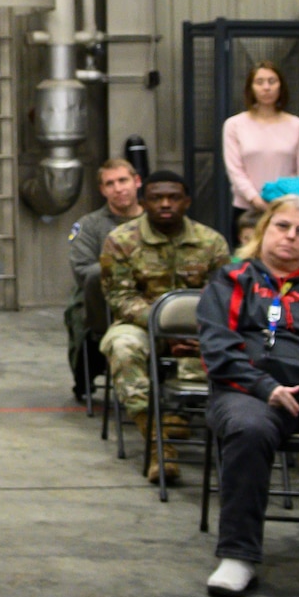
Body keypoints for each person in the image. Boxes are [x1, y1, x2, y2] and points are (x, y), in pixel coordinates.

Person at [200, 196, 299, 597]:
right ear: (264, 230)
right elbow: (218, 350)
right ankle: (239, 556)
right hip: (250, 391)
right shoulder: (232, 279)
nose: (291, 238)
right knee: (249, 429)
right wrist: (267, 388)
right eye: (282, 227)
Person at [98, 170, 230, 483]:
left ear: (187, 201)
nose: (166, 204)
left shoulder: (211, 242)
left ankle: (180, 416)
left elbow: (222, 299)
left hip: (198, 329)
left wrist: (193, 333)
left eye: (173, 197)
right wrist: (163, 328)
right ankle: (159, 444)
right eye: (157, 198)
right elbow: (120, 297)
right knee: (122, 348)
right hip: (140, 323)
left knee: (227, 347)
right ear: (144, 202)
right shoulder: (121, 241)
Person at [65, 159, 145, 400]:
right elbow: (82, 270)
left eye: (123, 181)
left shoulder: (156, 221)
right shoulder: (89, 226)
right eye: (110, 184)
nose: (118, 188)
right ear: (102, 190)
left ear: (137, 181)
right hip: (102, 301)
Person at [223, 61, 299, 240]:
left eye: (272, 81)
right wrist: (257, 201)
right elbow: (235, 170)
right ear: (251, 88)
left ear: (281, 86)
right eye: (260, 82)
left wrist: (284, 203)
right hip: (248, 210)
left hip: (290, 210)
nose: (266, 87)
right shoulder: (234, 125)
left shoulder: (298, 126)